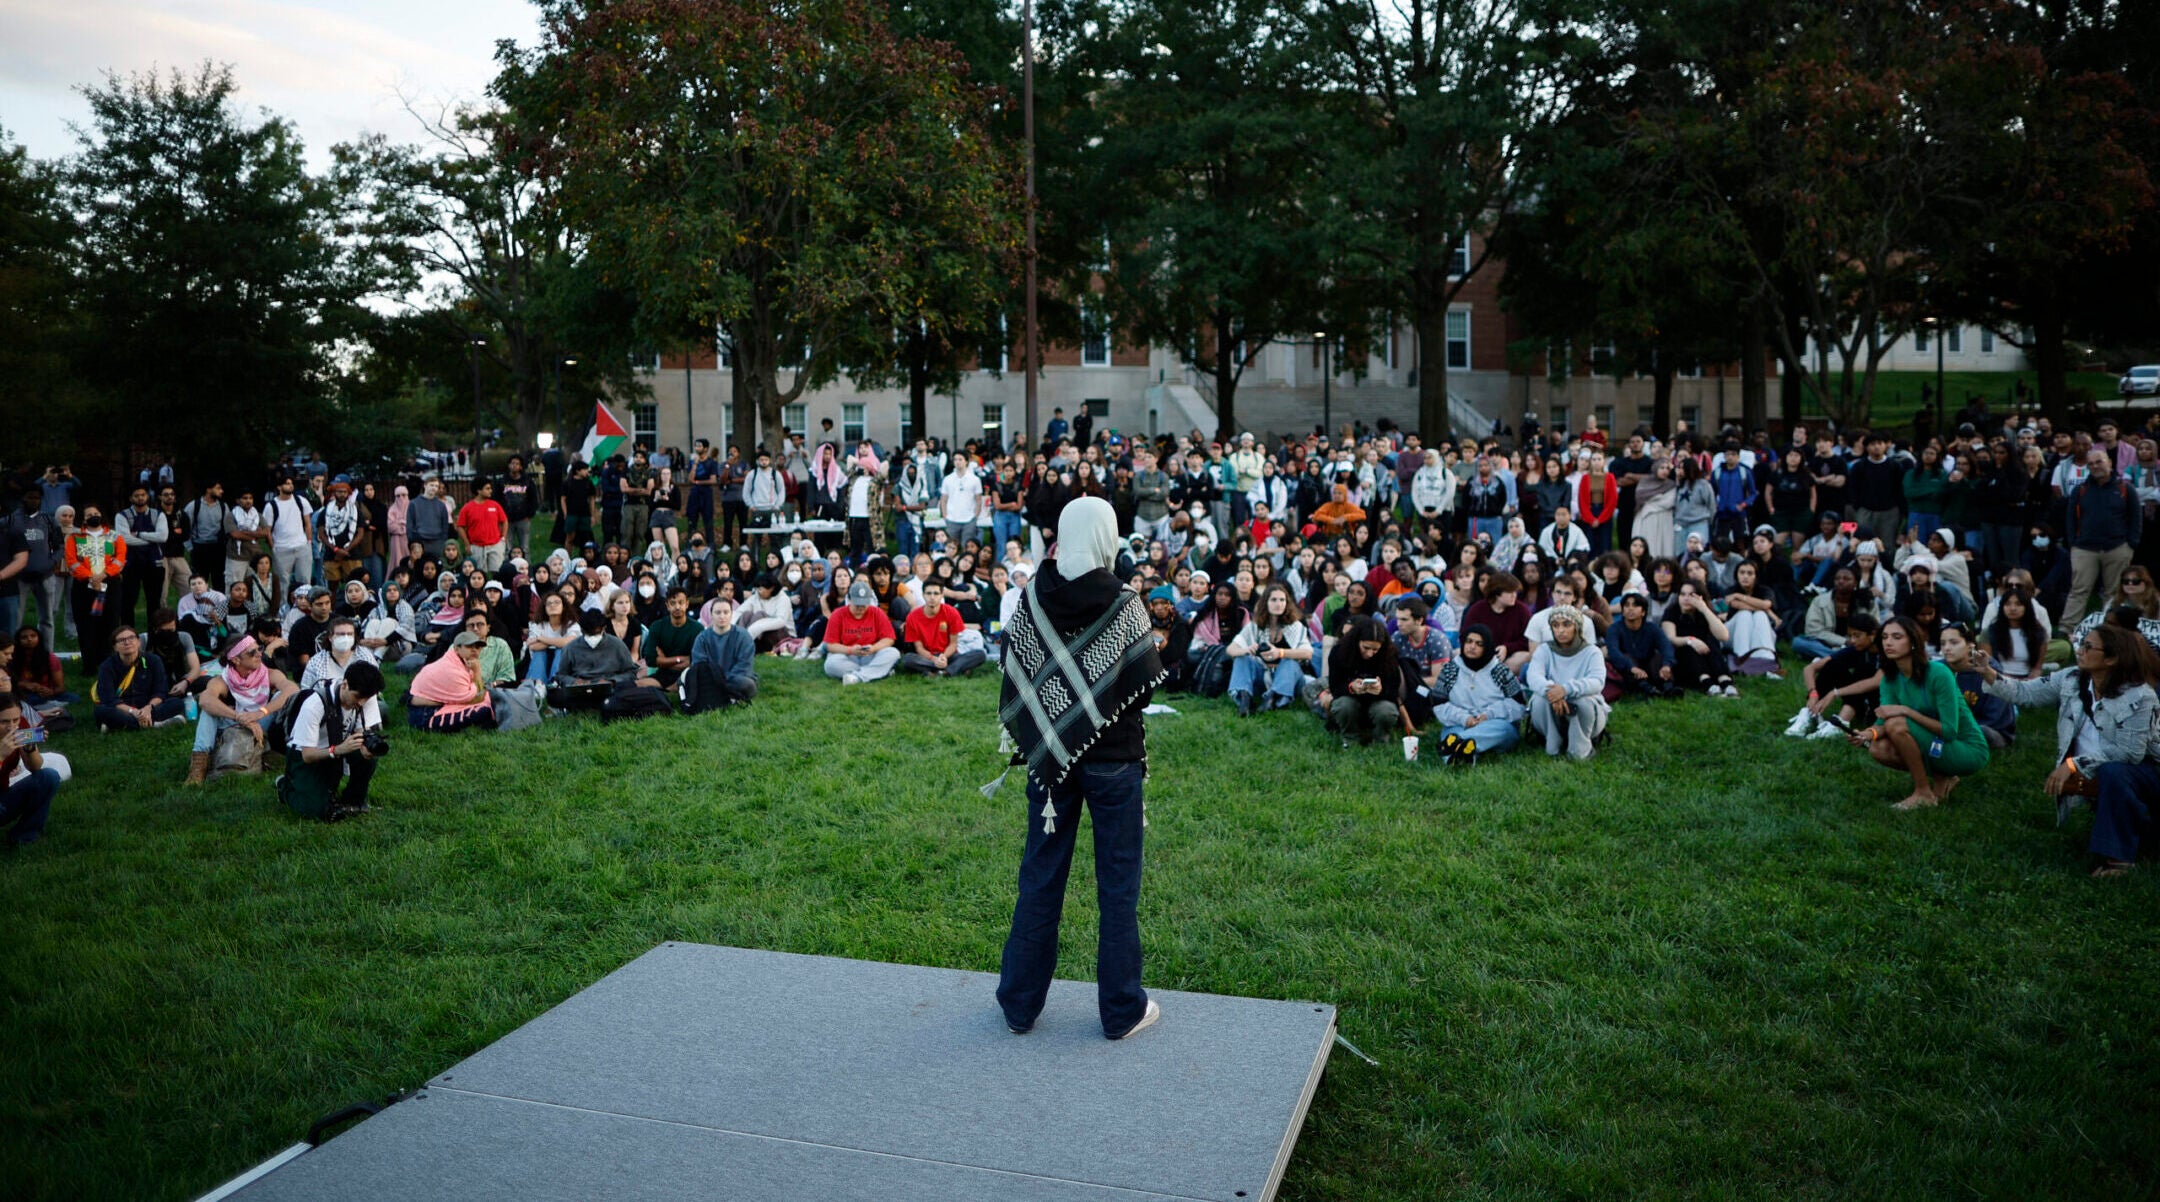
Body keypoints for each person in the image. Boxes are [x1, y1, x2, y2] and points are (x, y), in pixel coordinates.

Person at [994, 495, 1165, 1041]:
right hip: (1115, 763)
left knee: (1039, 877)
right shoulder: (1123, 601)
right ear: (1107, 536)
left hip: (1049, 765)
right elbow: (1140, 688)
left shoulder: (1031, 598)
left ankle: (1019, 1005)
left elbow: (1014, 665)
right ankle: (1121, 1011)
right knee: (1118, 887)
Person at [1977, 624, 2160, 875]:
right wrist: (1987, 672)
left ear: (2111, 658)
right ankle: (2133, 830)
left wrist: (2073, 764)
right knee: (2109, 776)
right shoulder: (2072, 679)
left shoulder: (2140, 696)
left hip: (2148, 772)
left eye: (2088, 646)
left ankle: (2120, 861)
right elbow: (2025, 693)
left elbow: (2130, 754)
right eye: (2081, 643)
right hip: (2104, 770)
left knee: (2115, 773)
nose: (2079, 650)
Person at [1853, 615, 1989, 810]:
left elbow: (1949, 731)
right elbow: (1884, 721)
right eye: (1885, 637)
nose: (1888, 642)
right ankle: (1942, 776)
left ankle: (1923, 792)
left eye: (1897, 637)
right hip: (1936, 744)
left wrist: (1906, 711)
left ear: (1914, 642)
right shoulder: (1889, 679)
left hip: (1966, 748)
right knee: (1877, 748)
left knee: (1897, 724)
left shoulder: (1938, 673)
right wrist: (1867, 734)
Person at [277, 660, 386, 821]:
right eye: (358, 697)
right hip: (305, 755)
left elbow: (361, 732)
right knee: (316, 809)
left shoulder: (365, 697)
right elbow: (307, 755)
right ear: (344, 685)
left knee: (367, 759)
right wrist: (338, 750)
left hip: (337, 747)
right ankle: (284, 787)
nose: (361, 702)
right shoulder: (315, 704)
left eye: (367, 698)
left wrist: (365, 748)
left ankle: (352, 801)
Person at [186, 635, 300, 784]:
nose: (259, 654)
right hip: (234, 722)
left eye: (259, 649)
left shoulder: (270, 673)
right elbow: (205, 699)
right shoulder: (223, 680)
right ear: (236, 660)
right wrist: (239, 716)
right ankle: (198, 768)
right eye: (252, 652)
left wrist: (260, 712)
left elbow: (292, 689)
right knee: (209, 710)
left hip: (262, 720)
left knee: (286, 697)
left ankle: (288, 753)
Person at [2060, 449, 2143, 634]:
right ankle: (2066, 630)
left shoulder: (2125, 488)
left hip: (2117, 547)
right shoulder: (2080, 490)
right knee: (2078, 590)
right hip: (2084, 548)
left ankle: (2110, 628)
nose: (2095, 466)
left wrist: (2131, 543)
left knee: (2113, 592)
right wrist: (2073, 542)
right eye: (2091, 464)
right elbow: (2071, 519)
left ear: (2109, 463)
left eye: (2099, 462)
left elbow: (2136, 517)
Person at [1525, 604, 1609, 759]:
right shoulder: (1544, 650)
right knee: (1539, 699)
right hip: (1552, 709)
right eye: (1555, 625)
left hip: (1585, 714)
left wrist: (1565, 690)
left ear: (1577, 627)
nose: (1560, 630)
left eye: (1566, 624)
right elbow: (1533, 676)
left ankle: (1580, 751)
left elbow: (1597, 681)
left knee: (1583, 702)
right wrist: (1551, 692)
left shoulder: (1592, 652)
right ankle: (1552, 746)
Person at [1226, 582, 1313, 715]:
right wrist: (1247, 650)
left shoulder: (1296, 626)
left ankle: (1273, 699)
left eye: (1282, 600)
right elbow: (1230, 649)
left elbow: (1308, 653)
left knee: (1289, 662)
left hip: (1288, 678)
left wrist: (1280, 653)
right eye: (1273, 600)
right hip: (1263, 673)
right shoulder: (1255, 626)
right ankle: (1245, 700)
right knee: (1241, 659)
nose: (1278, 604)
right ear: (1265, 603)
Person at [1326, 615, 1405, 746]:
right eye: (1366, 648)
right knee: (1343, 705)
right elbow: (1335, 687)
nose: (1369, 654)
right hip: (1349, 700)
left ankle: (1381, 739)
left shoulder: (1389, 655)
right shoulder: (1339, 652)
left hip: (1379, 701)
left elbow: (1394, 689)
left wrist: (1381, 689)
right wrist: (1351, 687)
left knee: (1387, 711)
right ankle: (1350, 738)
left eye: (1375, 649)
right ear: (1357, 641)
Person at [679, 595, 759, 713]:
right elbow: (699, 665)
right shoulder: (702, 638)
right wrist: (715, 681)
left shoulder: (743, 636)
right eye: (718, 612)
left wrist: (724, 682)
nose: (722, 616)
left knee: (747, 685)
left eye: (726, 612)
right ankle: (729, 697)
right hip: (711, 682)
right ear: (711, 615)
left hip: (736, 679)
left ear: (731, 614)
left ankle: (724, 695)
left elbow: (744, 666)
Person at [0, 693, 57, 846]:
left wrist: (30, 749)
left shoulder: (21, 726)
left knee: (48, 777)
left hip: (4, 797)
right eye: (4, 722)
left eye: (16, 720)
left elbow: (35, 767)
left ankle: (24, 836)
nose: (12, 727)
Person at [412, 631, 500, 731]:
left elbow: (478, 691)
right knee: (485, 711)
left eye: (477, 647)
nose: (474, 650)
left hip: (426, 707)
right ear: (457, 649)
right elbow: (477, 698)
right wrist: (477, 671)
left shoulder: (457, 663)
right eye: (469, 646)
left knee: (490, 700)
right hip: (425, 715)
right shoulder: (453, 670)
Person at [823, 580, 901, 684]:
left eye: (864, 604)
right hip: (848, 656)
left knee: (893, 653)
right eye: (857, 604)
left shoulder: (877, 612)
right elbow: (830, 645)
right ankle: (879, 672)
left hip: (871, 654)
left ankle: (857, 677)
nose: (860, 608)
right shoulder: (837, 614)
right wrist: (850, 650)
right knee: (830, 664)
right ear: (849, 600)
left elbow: (889, 639)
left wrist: (874, 648)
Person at [901, 580, 984, 678]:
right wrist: (934, 659)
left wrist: (943, 657)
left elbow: (953, 644)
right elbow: (919, 648)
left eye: (936, 593)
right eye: (928, 593)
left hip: (948, 655)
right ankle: (951, 669)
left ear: (941, 595)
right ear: (923, 595)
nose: (932, 597)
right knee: (907, 659)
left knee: (980, 654)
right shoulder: (912, 617)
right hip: (927, 657)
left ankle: (940, 671)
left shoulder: (951, 612)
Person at [1605, 592, 1678, 698]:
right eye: (1627, 605)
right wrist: (1632, 667)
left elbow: (1666, 646)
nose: (1630, 609)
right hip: (1628, 669)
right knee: (1626, 658)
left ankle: (1668, 686)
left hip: (1648, 666)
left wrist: (1667, 665)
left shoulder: (1652, 628)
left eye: (1635, 605)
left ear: (1643, 612)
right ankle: (1646, 688)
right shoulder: (1614, 629)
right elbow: (1613, 651)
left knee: (1658, 657)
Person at [457, 479, 511, 573]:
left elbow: (504, 521)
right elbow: (460, 526)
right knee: (479, 573)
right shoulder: (467, 508)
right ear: (479, 490)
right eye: (487, 488)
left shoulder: (495, 505)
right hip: (476, 546)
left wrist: (503, 538)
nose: (491, 491)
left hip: (495, 544)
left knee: (497, 572)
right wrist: (467, 544)